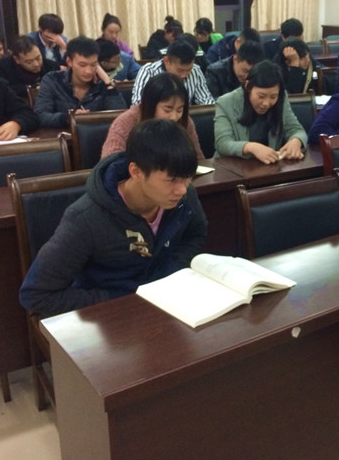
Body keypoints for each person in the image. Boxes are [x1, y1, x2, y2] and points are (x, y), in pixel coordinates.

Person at [19, 119, 208, 317]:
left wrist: (170, 271)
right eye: (171, 180)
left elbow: (196, 233)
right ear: (136, 172)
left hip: (163, 304)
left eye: (188, 177)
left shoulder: (184, 197)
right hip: (108, 317)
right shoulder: (86, 218)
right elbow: (36, 295)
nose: (182, 189)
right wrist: (117, 298)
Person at [214, 60, 307, 163]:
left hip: (268, 166)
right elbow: (222, 144)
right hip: (232, 166)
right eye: (261, 96)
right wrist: (251, 147)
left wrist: (296, 140)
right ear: (247, 86)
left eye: (273, 97)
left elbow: (297, 130)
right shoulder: (225, 102)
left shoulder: (281, 99)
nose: (266, 103)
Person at [101, 72, 205, 159]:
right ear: (151, 104)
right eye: (167, 109)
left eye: (179, 110)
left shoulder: (185, 122)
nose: (174, 117)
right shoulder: (126, 122)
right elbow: (110, 164)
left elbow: (198, 158)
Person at [34, 36, 126, 128]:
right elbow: (41, 115)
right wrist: (68, 118)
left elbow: (122, 118)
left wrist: (107, 81)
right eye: (82, 65)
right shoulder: (53, 80)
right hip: (62, 135)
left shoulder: (102, 84)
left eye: (93, 65)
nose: (88, 71)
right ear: (69, 61)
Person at [131, 37, 214, 106]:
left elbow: (206, 100)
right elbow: (138, 104)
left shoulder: (195, 70)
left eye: (188, 70)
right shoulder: (149, 71)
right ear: (166, 61)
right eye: (180, 70)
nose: (184, 75)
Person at [0, 35, 60, 99]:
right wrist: (32, 88)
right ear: (17, 60)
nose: (36, 64)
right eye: (29, 62)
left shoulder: (52, 67)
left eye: (38, 58)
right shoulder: (3, 67)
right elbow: (4, 91)